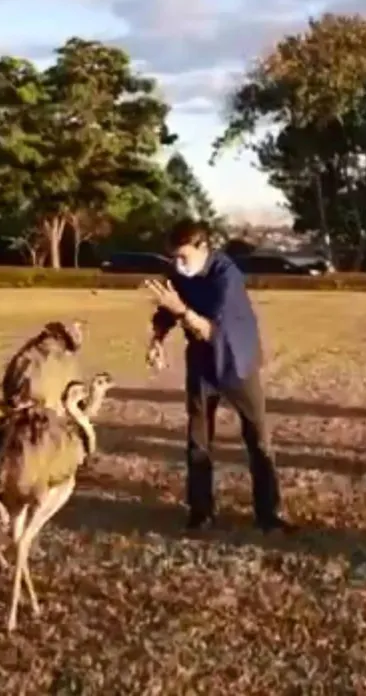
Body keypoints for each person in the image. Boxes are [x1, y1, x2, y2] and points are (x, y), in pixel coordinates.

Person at [142, 218, 291, 534]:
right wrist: (157, 339)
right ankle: (201, 512)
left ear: (203, 248)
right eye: (174, 258)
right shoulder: (178, 274)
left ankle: (268, 514)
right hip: (201, 361)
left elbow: (211, 330)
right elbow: (166, 312)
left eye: (184, 257)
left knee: (257, 438)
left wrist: (180, 310)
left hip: (237, 359)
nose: (178, 264)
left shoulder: (226, 275)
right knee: (198, 440)